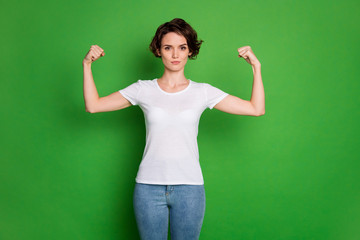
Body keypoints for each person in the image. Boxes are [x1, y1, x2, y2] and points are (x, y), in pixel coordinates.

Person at [83, 18, 264, 240]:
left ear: (190, 51)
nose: (175, 55)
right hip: (148, 188)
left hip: (190, 188)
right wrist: (87, 66)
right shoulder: (143, 89)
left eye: (182, 47)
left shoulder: (203, 92)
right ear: (159, 51)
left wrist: (256, 67)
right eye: (168, 48)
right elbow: (94, 105)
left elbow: (256, 108)